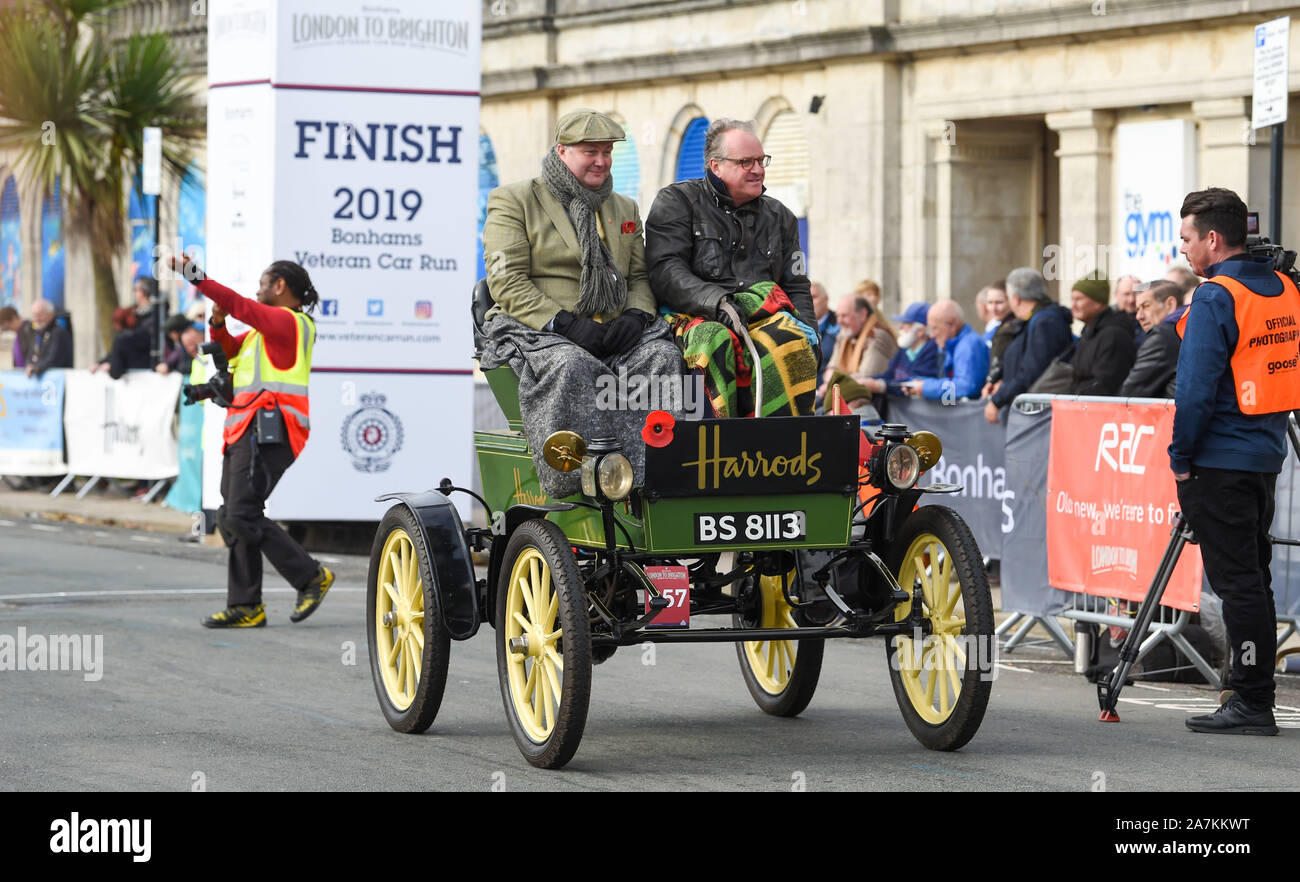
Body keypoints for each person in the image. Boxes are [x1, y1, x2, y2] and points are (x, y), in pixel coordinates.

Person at [481, 109, 683, 496]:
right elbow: (506, 281)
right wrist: (564, 324)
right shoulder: (514, 200)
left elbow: (639, 276)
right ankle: (577, 479)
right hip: (540, 329)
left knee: (662, 357)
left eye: (607, 152)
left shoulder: (623, 208)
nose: (602, 161)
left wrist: (638, 316)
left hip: (612, 326)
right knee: (571, 364)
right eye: (591, 151)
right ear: (562, 151)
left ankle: (654, 476)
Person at [1170, 187, 1295, 735]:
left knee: (1238, 582)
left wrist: (1180, 456)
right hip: (1265, 454)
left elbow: (1194, 390)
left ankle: (1249, 700)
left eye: (1187, 239)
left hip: (1218, 458)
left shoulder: (1216, 296)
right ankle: (1250, 693)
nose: (1184, 250)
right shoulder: (1284, 288)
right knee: (1254, 578)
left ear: (1213, 239)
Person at [166, 253, 334, 629]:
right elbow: (228, 351)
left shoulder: (288, 322)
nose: (257, 290)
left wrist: (193, 274)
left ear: (280, 286)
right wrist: (217, 322)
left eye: (262, 282)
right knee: (233, 514)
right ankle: (245, 605)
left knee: (241, 513)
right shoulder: (263, 332)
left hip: (271, 432)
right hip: (248, 430)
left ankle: (310, 577)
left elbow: (240, 304)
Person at [646, 118, 816, 417]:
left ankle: (782, 448)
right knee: (714, 340)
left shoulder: (782, 216)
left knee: (790, 341)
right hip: (692, 316)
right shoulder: (676, 201)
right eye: (746, 162)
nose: (758, 169)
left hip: (761, 318)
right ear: (716, 166)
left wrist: (812, 336)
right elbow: (665, 270)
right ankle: (712, 443)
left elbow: (797, 284)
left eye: (761, 161)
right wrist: (716, 301)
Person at [982, 267, 1072, 423]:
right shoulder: (1036, 320)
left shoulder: (1044, 322)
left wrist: (998, 400)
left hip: (1038, 415)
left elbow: (1031, 371)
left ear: (1016, 299)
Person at [901, 299, 989, 402]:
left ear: (952, 324)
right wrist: (922, 383)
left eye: (935, 328)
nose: (932, 335)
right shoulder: (954, 343)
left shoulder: (968, 346)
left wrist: (925, 387)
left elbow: (966, 388)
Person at [1065, 273, 1138, 396]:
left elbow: (1105, 384)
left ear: (1098, 302)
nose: (1074, 305)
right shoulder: (1089, 332)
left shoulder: (1113, 335)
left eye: (1079, 299)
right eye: (1072, 299)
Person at [819, 294, 898, 402]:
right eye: (838, 316)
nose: (839, 321)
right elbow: (831, 368)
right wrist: (831, 382)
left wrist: (831, 383)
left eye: (844, 316)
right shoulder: (844, 335)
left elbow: (865, 377)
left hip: (868, 403)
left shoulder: (877, 336)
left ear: (862, 314)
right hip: (843, 396)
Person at [855, 302, 939, 397]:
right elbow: (890, 374)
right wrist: (867, 380)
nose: (900, 327)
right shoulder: (904, 350)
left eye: (906, 324)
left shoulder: (931, 352)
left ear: (920, 331)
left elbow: (913, 383)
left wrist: (880, 386)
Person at [1120, 280, 1183, 398]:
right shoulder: (1190, 326)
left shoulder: (1162, 336)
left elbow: (1131, 394)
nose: (1139, 316)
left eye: (1146, 306)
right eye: (1138, 309)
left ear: (1170, 304)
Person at [23, 299, 72, 378]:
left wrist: (37, 367)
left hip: (57, 381)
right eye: (34, 315)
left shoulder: (59, 332)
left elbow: (54, 359)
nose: (37, 319)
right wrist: (29, 365)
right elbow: (30, 354)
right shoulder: (37, 332)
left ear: (51, 314)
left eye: (40, 315)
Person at [811, 281, 837, 368]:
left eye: (814, 297)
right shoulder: (798, 325)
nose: (810, 302)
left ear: (826, 299)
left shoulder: (839, 324)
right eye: (807, 298)